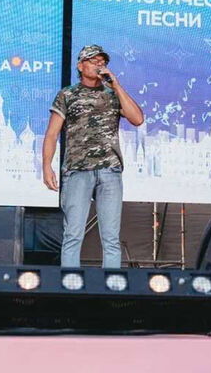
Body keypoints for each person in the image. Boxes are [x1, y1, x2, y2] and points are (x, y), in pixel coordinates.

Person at [41, 44, 144, 269]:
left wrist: (116, 85)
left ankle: (111, 285)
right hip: (78, 171)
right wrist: (46, 166)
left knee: (111, 238)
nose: (99, 65)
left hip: (110, 171)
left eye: (102, 62)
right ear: (80, 66)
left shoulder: (113, 95)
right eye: (93, 61)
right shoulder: (67, 94)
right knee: (73, 235)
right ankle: (70, 283)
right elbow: (51, 134)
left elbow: (137, 119)